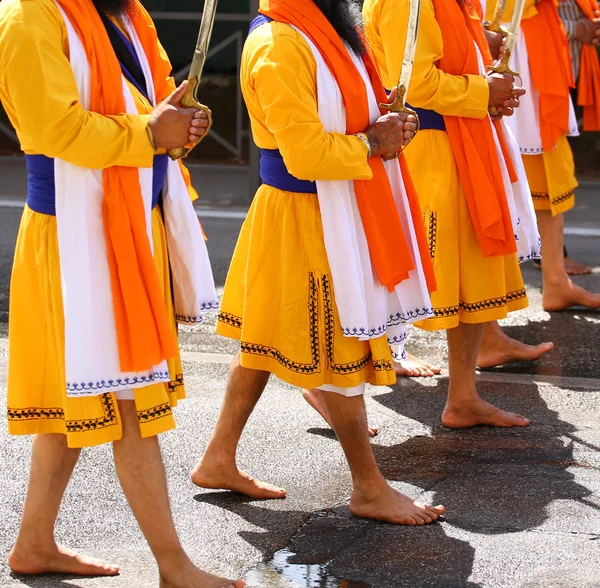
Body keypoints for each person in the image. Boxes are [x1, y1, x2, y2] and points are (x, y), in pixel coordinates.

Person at [0, 0, 245, 586]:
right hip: (75, 237)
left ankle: (34, 543)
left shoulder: (128, 15)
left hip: (129, 224)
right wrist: (150, 131)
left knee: (77, 402)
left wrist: (179, 126)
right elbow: (51, 129)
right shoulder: (28, 18)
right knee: (133, 400)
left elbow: (150, 110)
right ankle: (174, 566)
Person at [192, 0, 446, 526]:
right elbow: (305, 153)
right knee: (338, 346)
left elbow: (350, 117)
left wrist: (390, 118)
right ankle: (369, 488)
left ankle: (218, 458)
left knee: (262, 339)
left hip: (328, 208)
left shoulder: (326, 30)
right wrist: (373, 142)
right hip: (305, 213)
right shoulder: (279, 44)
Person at [363, 0, 534, 428]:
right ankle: (331, 386)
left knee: (469, 277)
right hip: (428, 148)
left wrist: (482, 59)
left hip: (467, 140)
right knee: (394, 278)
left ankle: (462, 397)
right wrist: (483, 91)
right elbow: (415, 83)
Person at [485, 0, 600, 308]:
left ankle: (556, 280)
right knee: (499, 182)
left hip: (536, 55)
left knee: (551, 177)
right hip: (513, 57)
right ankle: (490, 306)